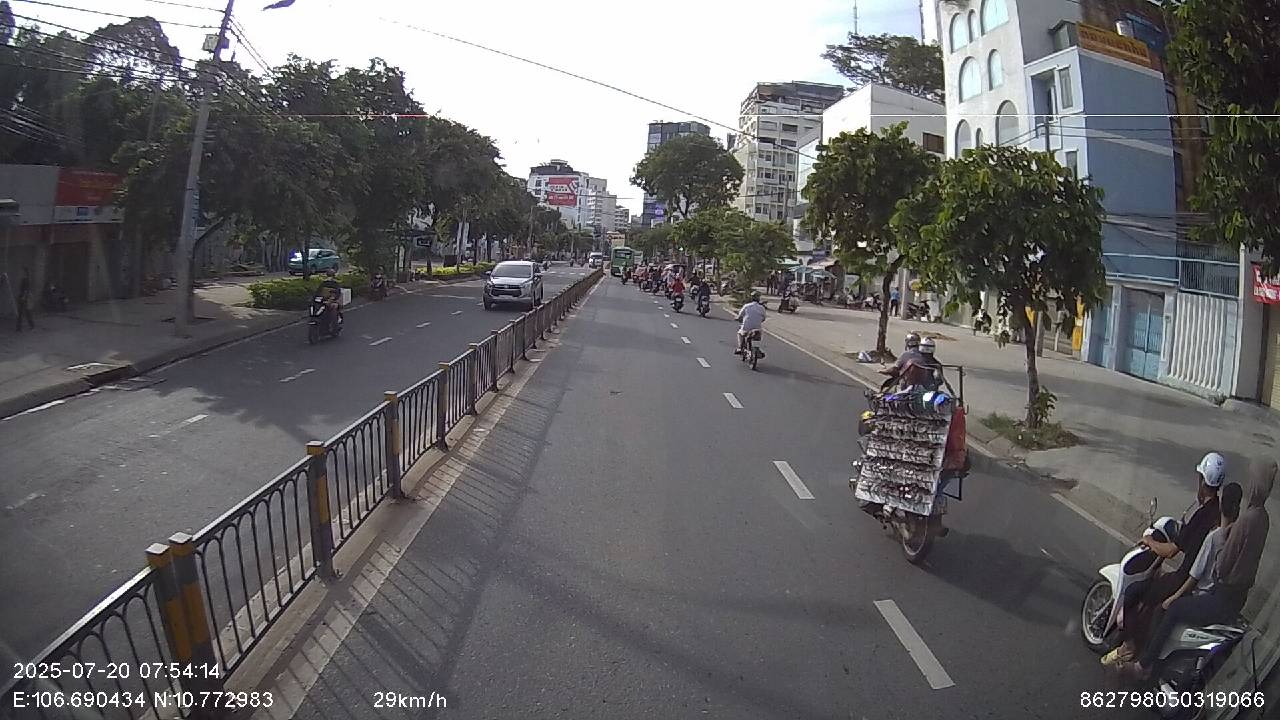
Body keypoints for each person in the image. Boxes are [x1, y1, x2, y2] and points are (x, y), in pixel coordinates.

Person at [1123, 459, 1273, 680]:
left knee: (1158, 603)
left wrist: (1175, 596)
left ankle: (1142, 662)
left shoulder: (1231, 528)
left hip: (1217, 594)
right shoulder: (1262, 518)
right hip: (1237, 596)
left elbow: (1218, 566)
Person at [1108, 452, 1226, 666]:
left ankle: (1130, 645)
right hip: (1200, 580)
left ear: (1202, 481)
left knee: (1136, 591)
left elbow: (1171, 551)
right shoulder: (1216, 511)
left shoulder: (1202, 514)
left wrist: (1150, 541)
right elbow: (1190, 538)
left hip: (1184, 578)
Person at [734, 291, 766, 355]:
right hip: (757, 329)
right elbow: (763, 318)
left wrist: (737, 318)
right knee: (757, 337)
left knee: (740, 333)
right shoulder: (762, 308)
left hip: (746, 328)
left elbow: (740, 316)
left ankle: (740, 348)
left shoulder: (746, 306)